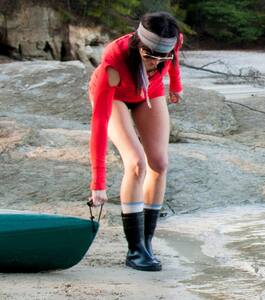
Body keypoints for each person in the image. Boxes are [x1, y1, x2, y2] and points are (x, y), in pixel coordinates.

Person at [87, 12, 184, 272]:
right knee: (137, 163)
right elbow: (99, 123)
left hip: (148, 92)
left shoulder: (171, 43)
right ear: (139, 45)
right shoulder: (114, 61)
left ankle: (147, 242)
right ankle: (135, 250)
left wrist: (176, 85)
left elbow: (173, 62)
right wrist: (98, 183)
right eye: (150, 56)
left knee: (160, 163)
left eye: (162, 56)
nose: (156, 63)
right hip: (115, 94)